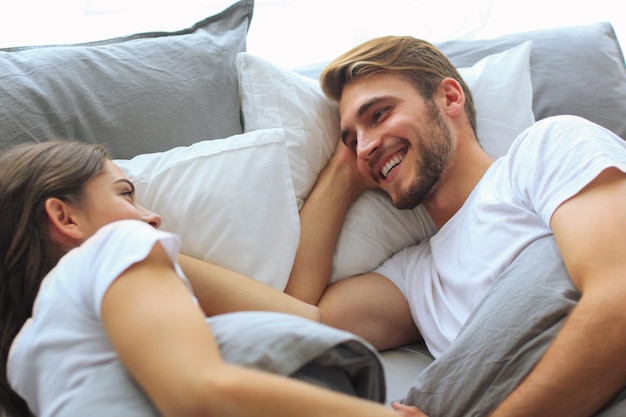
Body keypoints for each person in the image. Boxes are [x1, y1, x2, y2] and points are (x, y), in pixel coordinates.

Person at [285, 35, 626, 417]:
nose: (363, 146)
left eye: (379, 114)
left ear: (449, 98)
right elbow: (292, 320)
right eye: (351, 139)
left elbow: (619, 297)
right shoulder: (416, 278)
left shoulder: (542, 151)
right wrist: (342, 173)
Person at [0, 140, 425, 417]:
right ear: (63, 215)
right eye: (125, 193)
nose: (154, 215)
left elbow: (300, 321)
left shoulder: (26, 359)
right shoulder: (115, 245)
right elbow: (199, 391)